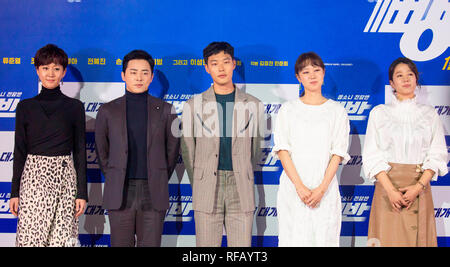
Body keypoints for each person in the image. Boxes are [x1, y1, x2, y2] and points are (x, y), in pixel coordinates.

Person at [181, 42, 265, 247]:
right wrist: (200, 181)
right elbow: (188, 151)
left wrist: (242, 171)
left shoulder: (253, 104)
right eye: (214, 63)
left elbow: (255, 150)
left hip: (240, 187)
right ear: (206, 67)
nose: (221, 68)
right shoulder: (193, 105)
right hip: (207, 186)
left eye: (226, 62)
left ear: (234, 64)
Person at [95, 49, 180, 247]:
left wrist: (158, 175)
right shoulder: (107, 110)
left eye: (144, 72)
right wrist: (115, 175)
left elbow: (172, 150)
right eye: (133, 72)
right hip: (120, 191)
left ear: (151, 76)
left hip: (153, 191)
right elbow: (102, 151)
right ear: (123, 75)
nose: (139, 77)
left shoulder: (167, 110)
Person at [362, 57, 447, 247]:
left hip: (419, 188)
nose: (406, 79)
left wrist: (418, 187)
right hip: (387, 188)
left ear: (416, 79)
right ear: (392, 82)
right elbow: (371, 155)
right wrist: (391, 191)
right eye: (399, 75)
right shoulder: (379, 113)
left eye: (410, 74)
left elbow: (438, 153)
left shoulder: (429, 114)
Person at [9, 44, 87, 247]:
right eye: (45, 68)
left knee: (63, 240)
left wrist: (82, 193)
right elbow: (19, 151)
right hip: (33, 179)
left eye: (56, 68)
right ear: (37, 70)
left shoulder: (75, 107)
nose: (50, 73)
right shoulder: (25, 107)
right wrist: (15, 192)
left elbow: (79, 152)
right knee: (31, 240)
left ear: (63, 72)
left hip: (65, 178)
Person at [272, 52, 350, 247]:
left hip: (325, 189)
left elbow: (337, 153)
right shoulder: (288, 110)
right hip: (293, 189)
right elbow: (283, 151)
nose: (312, 75)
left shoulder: (337, 111)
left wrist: (321, 190)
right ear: (298, 77)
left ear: (323, 73)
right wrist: (300, 187)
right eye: (306, 72)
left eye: (316, 70)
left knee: (324, 239)